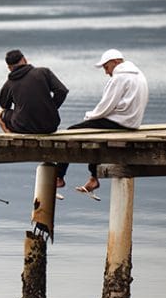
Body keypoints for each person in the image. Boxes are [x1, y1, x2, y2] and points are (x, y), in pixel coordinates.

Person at [56, 48, 149, 199]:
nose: (106, 72)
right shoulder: (139, 74)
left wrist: (90, 117)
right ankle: (93, 178)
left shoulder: (120, 77)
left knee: (70, 131)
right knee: (94, 135)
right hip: (132, 122)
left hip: (119, 121)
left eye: (106, 67)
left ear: (116, 62)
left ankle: (59, 177)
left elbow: (106, 105)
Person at [0, 49, 68, 134]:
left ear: (9, 68)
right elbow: (62, 91)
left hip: (23, 127)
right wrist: (51, 108)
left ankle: (11, 138)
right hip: (50, 126)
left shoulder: (9, 84)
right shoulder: (43, 72)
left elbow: (4, 105)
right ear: (24, 59)